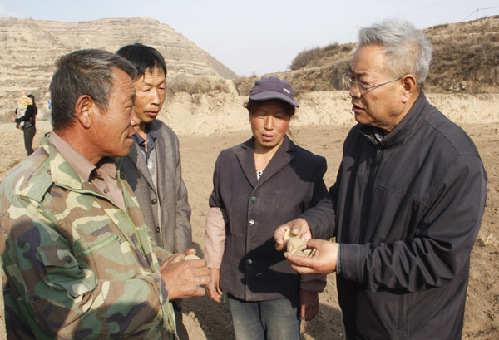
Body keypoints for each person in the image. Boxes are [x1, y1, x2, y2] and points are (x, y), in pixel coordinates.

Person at [274, 20, 487, 340]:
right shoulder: (359, 139)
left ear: (406, 86)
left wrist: (344, 259)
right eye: (351, 78)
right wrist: (310, 223)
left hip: (416, 330)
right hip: (360, 319)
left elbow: (436, 259)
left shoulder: (455, 161)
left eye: (364, 82)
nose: (352, 91)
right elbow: (340, 198)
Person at [0, 49, 210, 339]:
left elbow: (126, 248)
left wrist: (162, 260)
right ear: (86, 110)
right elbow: (68, 317)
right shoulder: (30, 199)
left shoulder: (107, 170)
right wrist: (163, 285)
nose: (135, 121)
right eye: (127, 107)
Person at [205, 76, 331, 340]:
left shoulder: (307, 166)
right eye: (261, 114)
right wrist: (213, 265)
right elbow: (218, 214)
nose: (269, 125)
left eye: (278, 116)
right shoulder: (228, 160)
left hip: (282, 285)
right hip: (239, 280)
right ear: (250, 114)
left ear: (289, 118)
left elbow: (316, 225)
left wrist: (311, 286)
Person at [117, 43, 192, 340]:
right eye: (146, 88)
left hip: (170, 268)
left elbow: (179, 201)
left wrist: (182, 252)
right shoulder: (113, 143)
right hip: (132, 277)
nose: (156, 97)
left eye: (162, 87)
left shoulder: (167, 137)